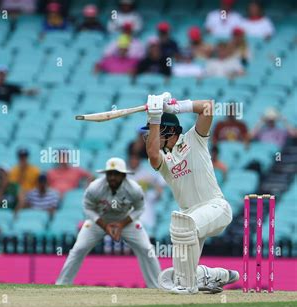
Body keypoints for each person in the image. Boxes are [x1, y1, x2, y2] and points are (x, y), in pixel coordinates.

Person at [143, 92, 240, 294]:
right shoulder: (163, 161)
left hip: (216, 208)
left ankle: (188, 287)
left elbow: (208, 107)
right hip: (191, 217)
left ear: (169, 130)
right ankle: (214, 275)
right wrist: (153, 118)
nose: (149, 137)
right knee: (181, 269)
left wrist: (174, 107)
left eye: (155, 131)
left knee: (183, 225)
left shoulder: (194, 139)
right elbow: (152, 153)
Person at [56, 157, 161, 287]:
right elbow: (88, 208)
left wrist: (121, 224)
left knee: (147, 249)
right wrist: (104, 225)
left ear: (123, 175)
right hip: (99, 221)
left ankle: (158, 286)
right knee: (78, 249)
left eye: (116, 174)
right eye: (109, 173)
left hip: (125, 220)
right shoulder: (94, 187)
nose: (112, 177)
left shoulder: (134, 189)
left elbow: (140, 209)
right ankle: (62, 285)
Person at [127, 153, 165, 230]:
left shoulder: (148, 195)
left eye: (136, 160)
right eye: (132, 160)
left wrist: (152, 182)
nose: (134, 162)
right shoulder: (124, 175)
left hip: (146, 226)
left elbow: (159, 193)